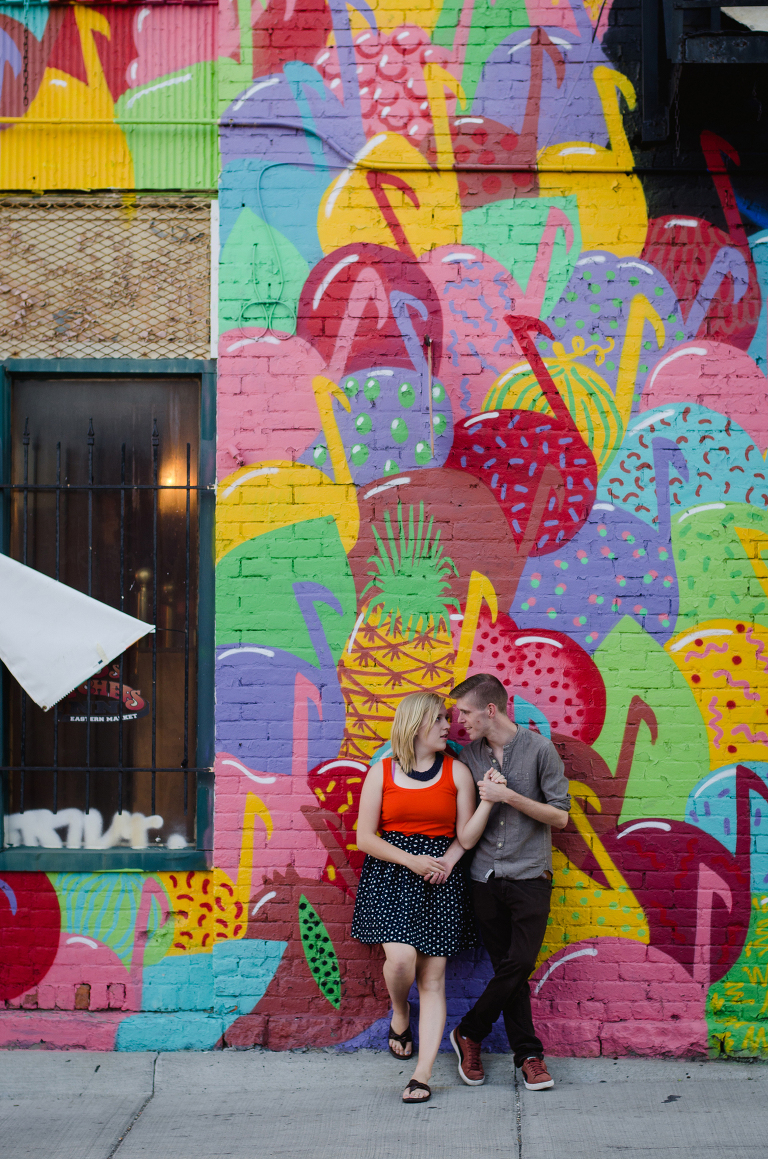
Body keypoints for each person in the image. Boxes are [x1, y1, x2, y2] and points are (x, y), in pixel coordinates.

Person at [352, 690, 505, 1104]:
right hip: (391, 877)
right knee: (401, 960)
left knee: (433, 979)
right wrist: (411, 861)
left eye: (447, 718)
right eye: (438, 718)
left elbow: (465, 837)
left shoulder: (456, 773)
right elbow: (365, 837)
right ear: (415, 723)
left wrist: (448, 859)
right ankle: (401, 1011)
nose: (447, 726)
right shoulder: (381, 773)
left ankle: (422, 1075)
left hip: (440, 880)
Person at [447, 673, 571, 1092]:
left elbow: (561, 816)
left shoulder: (539, 750)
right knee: (509, 972)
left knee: (519, 963)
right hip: (484, 878)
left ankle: (470, 1031)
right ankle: (529, 1056)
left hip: (530, 875)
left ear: (490, 710)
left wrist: (509, 796)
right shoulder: (468, 757)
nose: (460, 720)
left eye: (465, 712)